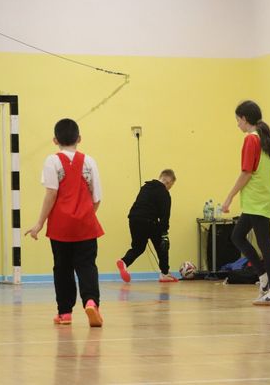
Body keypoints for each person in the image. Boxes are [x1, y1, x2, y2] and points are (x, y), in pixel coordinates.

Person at [25, 118, 104, 327]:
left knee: (62, 268)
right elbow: (97, 197)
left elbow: (51, 194)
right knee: (87, 266)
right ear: (79, 138)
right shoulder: (89, 162)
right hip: (86, 224)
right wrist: (85, 215)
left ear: (55, 140)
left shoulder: (52, 161)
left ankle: (65, 313)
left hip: (60, 226)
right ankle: (91, 302)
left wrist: (39, 223)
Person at [222, 100, 270, 306]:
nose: (237, 124)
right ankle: (263, 277)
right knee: (237, 236)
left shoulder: (251, 139)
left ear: (244, 119)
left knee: (264, 244)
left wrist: (229, 196)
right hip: (262, 199)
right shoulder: (265, 139)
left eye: (237, 120)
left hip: (256, 199)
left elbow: (246, 172)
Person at [116, 169, 177, 283]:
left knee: (138, 247)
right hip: (149, 221)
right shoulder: (164, 193)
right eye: (171, 186)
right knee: (162, 247)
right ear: (168, 182)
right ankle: (164, 273)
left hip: (133, 219)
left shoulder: (145, 187)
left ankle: (124, 262)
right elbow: (165, 216)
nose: (169, 188)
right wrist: (165, 234)